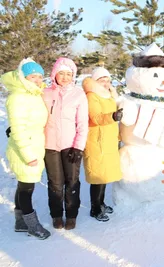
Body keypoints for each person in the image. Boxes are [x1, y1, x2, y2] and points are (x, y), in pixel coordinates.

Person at [1, 59, 51, 239]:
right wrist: (28, 155)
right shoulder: (18, 97)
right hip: (25, 149)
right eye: (33, 76)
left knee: (23, 185)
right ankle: (32, 225)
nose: (37, 80)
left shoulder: (33, 94)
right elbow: (18, 130)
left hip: (33, 145)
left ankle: (20, 222)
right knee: (26, 188)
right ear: (23, 77)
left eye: (39, 76)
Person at [42, 57, 89, 230]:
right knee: (55, 183)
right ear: (54, 74)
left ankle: (71, 214)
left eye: (69, 74)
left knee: (72, 181)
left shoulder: (78, 94)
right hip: (50, 145)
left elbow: (82, 123)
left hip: (71, 145)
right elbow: (34, 115)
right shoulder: (45, 93)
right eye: (61, 73)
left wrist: (78, 146)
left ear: (73, 76)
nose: (65, 77)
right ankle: (56, 215)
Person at [82, 67, 123, 222]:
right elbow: (96, 117)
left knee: (104, 176)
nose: (106, 83)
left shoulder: (108, 96)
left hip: (108, 140)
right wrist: (113, 116)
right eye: (102, 80)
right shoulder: (92, 96)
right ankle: (95, 208)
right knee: (97, 177)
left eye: (107, 80)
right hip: (97, 141)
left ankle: (101, 203)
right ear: (95, 81)